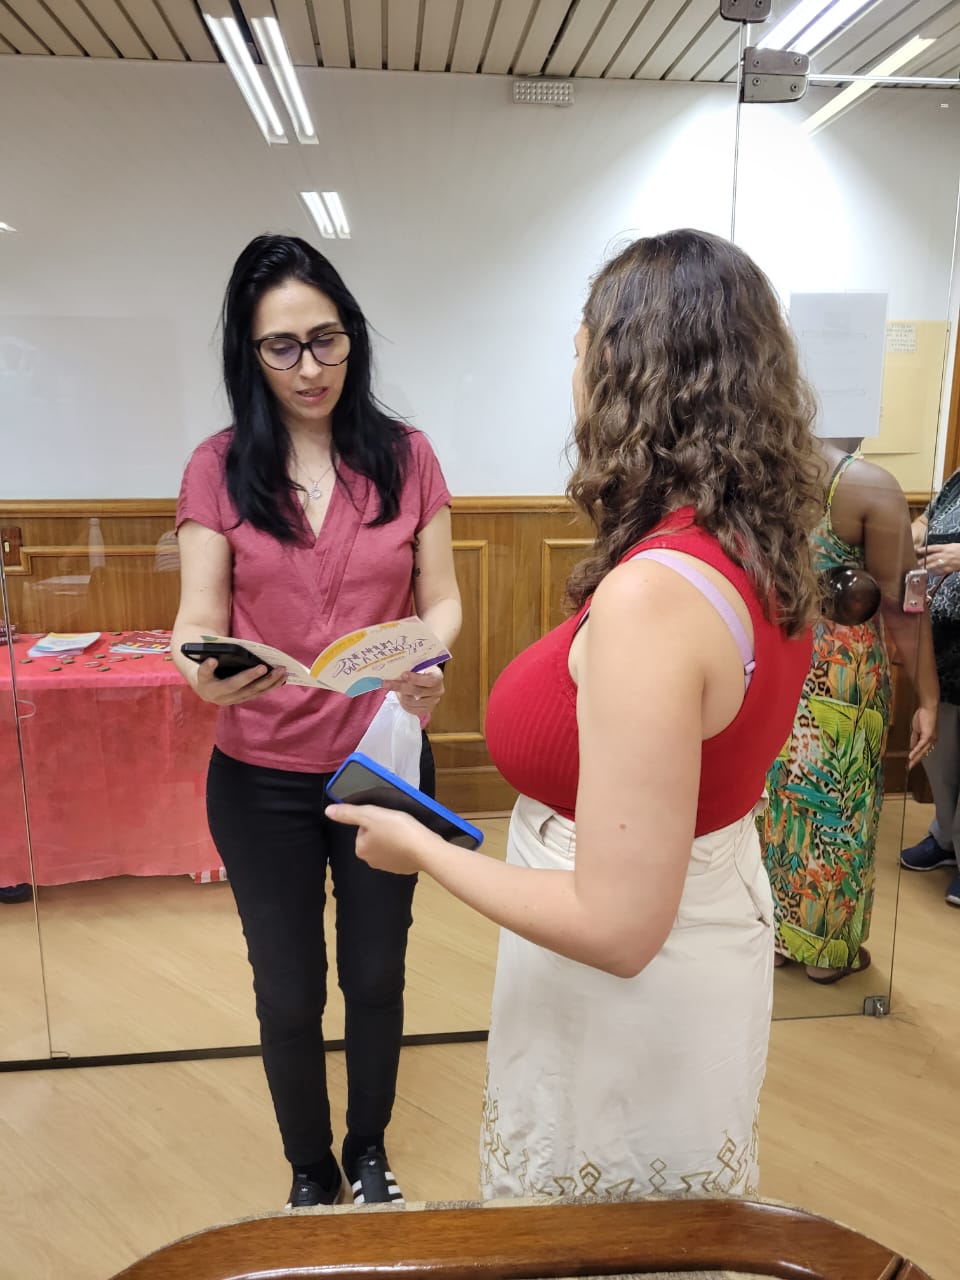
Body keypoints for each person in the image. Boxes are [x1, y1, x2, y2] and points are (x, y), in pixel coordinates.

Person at [327, 229, 821, 1199]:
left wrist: (421, 848)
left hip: (630, 992)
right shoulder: (753, 544)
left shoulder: (656, 597)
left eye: (581, 348)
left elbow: (618, 925)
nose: (573, 377)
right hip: (701, 918)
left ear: (627, 375)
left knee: (599, 1220)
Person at [171, 235, 461, 1209]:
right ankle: (310, 1166)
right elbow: (194, 619)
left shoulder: (407, 456)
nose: (309, 367)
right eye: (282, 347)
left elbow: (443, 598)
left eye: (326, 340)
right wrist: (204, 673)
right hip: (259, 774)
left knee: (376, 974)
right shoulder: (217, 468)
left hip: (384, 761)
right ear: (249, 354)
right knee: (290, 987)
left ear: (353, 336)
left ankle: (369, 1147)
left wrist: (428, 658)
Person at [760, 442, 938, 982]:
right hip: (840, 678)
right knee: (839, 805)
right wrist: (929, 697)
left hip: (771, 662)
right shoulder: (868, 487)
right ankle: (825, 954)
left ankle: (773, 936)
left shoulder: (749, 467)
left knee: (777, 806)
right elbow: (904, 607)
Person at [901, 468, 960, 908]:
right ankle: (946, 838)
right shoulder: (957, 479)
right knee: (941, 756)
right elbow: (928, 518)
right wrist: (912, 532)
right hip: (944, 651)